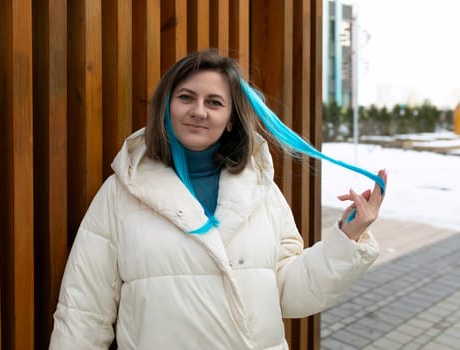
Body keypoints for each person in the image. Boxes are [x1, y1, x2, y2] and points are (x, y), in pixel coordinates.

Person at [49, 49, 387, 350]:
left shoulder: (261, 191)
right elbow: (84, 311)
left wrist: (348, 236)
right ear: (165, 107)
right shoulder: (121, 193)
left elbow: (289, 292)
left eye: (214, 102)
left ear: (230, 120)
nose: (199, 111)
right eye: (186, 97)